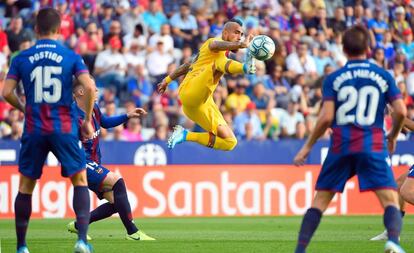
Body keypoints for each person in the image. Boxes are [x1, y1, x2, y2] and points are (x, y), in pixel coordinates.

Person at [293, 25, 407, 253]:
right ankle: (393, 241)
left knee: (320, 202)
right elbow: (401, 112)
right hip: (373, 144)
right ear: (368, 48)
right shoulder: (383, 76)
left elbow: (326, 117)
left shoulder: (334, 78)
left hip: (341, 145)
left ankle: (300, 250)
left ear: (343, 49)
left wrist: (307, 146)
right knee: (390, 199)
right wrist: (392, 136)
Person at [2, 8, 96, 253]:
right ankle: (82, 241)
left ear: (36, 29)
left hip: (33, 127)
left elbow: (6, 93)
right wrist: (86, 120)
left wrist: (24, 107)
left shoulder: (21, 57)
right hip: (63, 127)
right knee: (80, 180)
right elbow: (89, 86)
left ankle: (22, 246)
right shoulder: (71, 56)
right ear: (60, 28)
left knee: (26, 186)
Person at [68, 80, 155, 241]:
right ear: (81, 92)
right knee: (117, 181)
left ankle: (80, 224)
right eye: (93, 88)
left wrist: (127, 115)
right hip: (81, 163)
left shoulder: (93, 108)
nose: (97, 90)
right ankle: (133, 232)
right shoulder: (72, 116)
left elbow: (105, 123)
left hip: (93, 161)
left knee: (117, 203)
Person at [157, 18, 256, 151]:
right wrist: (240, 46)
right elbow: (215, 45)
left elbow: (187, 65)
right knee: (218, 65)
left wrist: (167, 80)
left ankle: (185, 135)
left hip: (199, 105)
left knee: (230, 142)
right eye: (236, 33)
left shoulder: (213, 55)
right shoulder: (212, 44)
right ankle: (245, 67)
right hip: (190, 91)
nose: (240, 37)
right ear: (225, 33)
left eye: (242, 35)